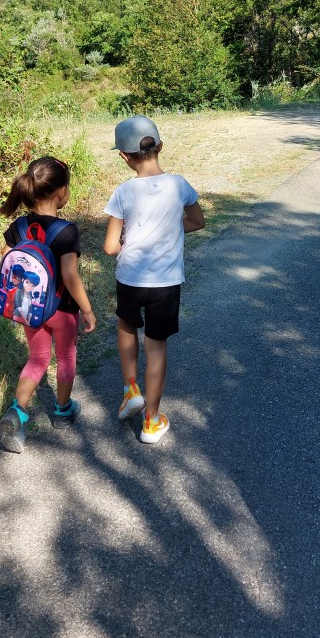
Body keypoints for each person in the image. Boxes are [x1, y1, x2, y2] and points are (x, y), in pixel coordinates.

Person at [103, 115, 205, 444]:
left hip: (130, 278)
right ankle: (151, 420)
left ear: (124, 156)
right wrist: (171, 229)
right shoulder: (180, 185)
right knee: (156, 347)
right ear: (160, 146)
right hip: (166, 282)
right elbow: (197, 222)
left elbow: (110, 247)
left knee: (126, 326)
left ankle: (131, 389)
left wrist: (129, 239)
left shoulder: (123, 192)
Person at [0, 156, 96, 452]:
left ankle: (17, 411)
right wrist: (87, 310)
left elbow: (5, 258)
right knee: (65, 357)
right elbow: (70, 276)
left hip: (30, 307)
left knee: (37, 358)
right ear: (61, 191)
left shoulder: (19, 225)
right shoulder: (66, 230)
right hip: (62, 310)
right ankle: (63, 410)